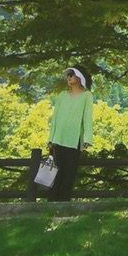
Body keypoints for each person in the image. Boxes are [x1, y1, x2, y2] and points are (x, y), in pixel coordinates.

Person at [41, 66, 93, 201]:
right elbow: (55, 118)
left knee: (68, 175)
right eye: (68, 75)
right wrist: (51, 139)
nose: (69, 77)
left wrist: (87, 138)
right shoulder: (62, 95)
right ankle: (51, 204)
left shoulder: (87, 95)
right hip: (58, 140)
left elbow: (87, 117)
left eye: (72, 74)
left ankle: (64, 205)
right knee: (54, 174)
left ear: (79, 77)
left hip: (74, 140)